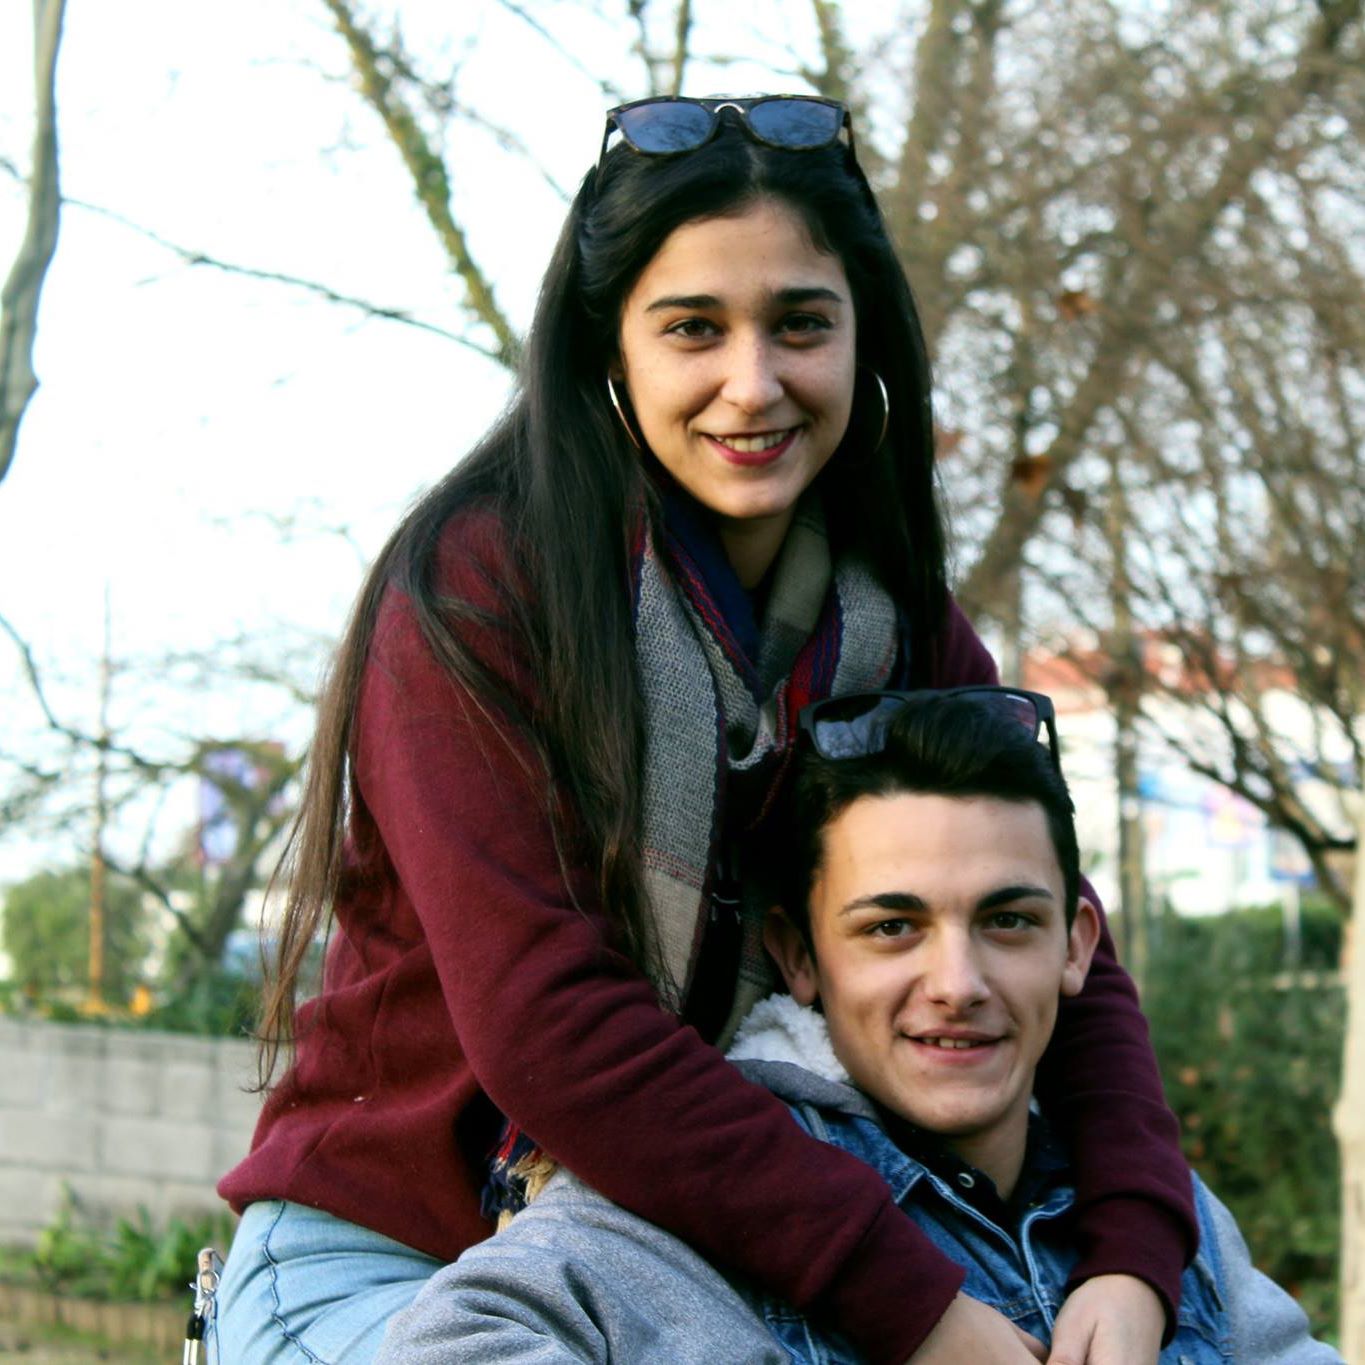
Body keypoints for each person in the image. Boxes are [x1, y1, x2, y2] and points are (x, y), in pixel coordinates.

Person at [213, 94, 1196, 1363]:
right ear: (610, 349)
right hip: (397, 1254)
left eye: (801, 324)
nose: (754, 383)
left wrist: (1132, 1255)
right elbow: (550, 1025)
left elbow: (1053, 936)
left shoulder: (899, 623)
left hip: (687, 1258)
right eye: (693, 329)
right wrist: (917, 1308)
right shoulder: (478, 591)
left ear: (862, 337)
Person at [375, 690, 1341, 1364]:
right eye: (891, 927)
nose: (957, 984)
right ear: (799, 957)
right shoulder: (695, 1206)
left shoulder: (1162, 1215)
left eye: (1007, 920)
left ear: (1077, 945)